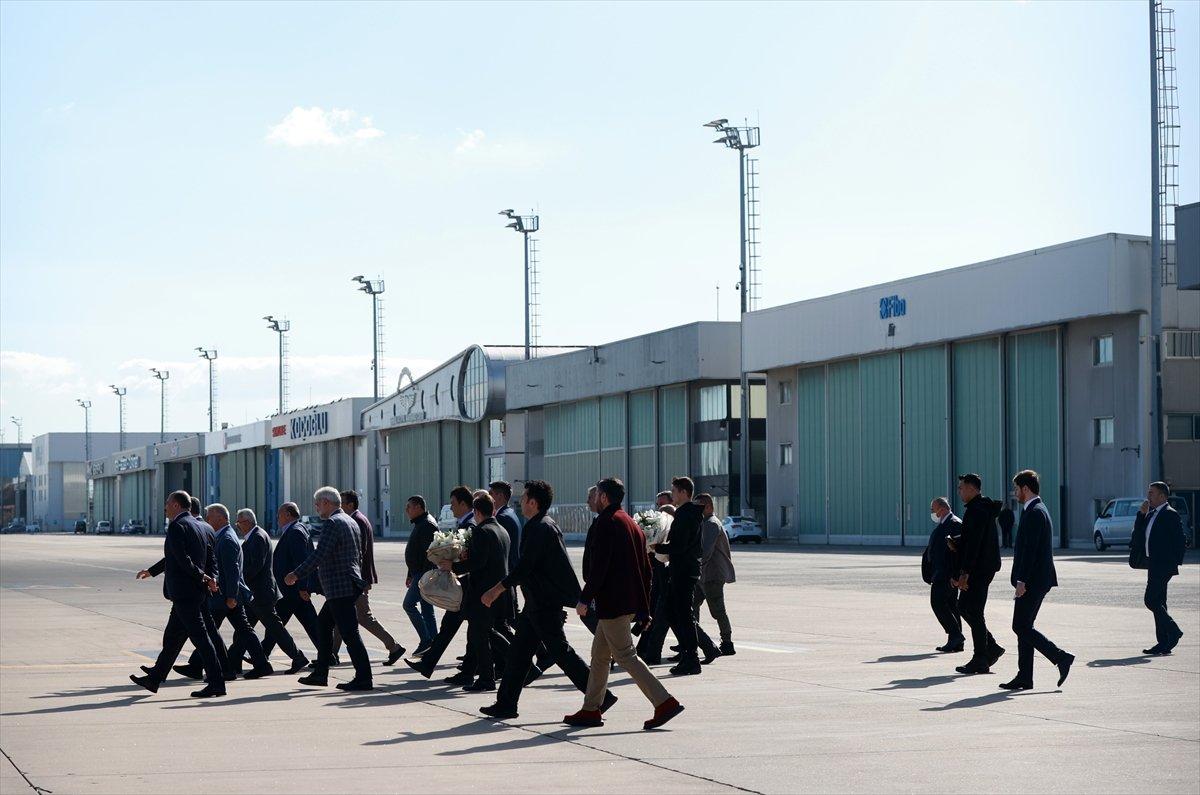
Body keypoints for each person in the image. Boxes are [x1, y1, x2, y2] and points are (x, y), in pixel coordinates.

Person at [479, 480, 615, 719]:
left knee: (561, 653)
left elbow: (525, 568)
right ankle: (506, 704)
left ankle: (601, 697)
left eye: (524, 499)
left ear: (534, 502)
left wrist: (496, 590)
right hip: (537, 603)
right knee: (519, 655)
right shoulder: (540, 525)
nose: (520, 503)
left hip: (544, 604)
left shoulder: (541, 528)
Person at [564, 477, 683, 731]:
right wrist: (643, 607)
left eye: (595, 495)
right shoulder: (631, 523)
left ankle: (664, 702)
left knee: (626, 656)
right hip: (625, 602)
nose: (592, 500)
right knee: (599, 656)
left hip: (613, 603)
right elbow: (645, 570)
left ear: (604, 497)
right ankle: (590, 708)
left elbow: (600, 567)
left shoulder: (608, 523)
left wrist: (585, 598)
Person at [130, 490, 225, 698]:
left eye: (167, 503)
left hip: (185, 593)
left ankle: (217, 682)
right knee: (173, 639)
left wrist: (205, 577)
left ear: (175, 505)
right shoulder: (203, 527)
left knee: (201, 638)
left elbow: (182, 560)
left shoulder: (177, 526)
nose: (164, 507)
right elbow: (210, 560)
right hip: (196, 591)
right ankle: (154, 679)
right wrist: (211, 577)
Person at [286, 487, 372, 691]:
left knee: (350, 633)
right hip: (347, 584)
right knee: (323, 625)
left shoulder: (333, 522)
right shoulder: (350, 520)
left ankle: (363, 678)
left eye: (317, 504)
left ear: (326, 502)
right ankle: (320, 673)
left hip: (339, 586)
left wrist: (295, 574)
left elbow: (319, 555)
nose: (316, 508)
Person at [1001, 470, 1073, 690]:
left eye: (1016, 489)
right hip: (1035, 579)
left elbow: (1030, 551)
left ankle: (1060, 657)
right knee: (1024, 626)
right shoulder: (1034, 510)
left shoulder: (1034, 512)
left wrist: (1022, 581)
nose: (1015, 494)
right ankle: (1025, 676)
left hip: (1032, 580)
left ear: (1026, 489)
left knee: (1020, 625)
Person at [404, 486, 483, 681]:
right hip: (464, 585)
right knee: (453, 626)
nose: (452, 508)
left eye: (454, 504)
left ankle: (482, 668)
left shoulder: (470, 526)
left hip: (468, 586)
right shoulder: (464, 523)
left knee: (480, 631)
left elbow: (473, 558)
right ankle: (430, 663)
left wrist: (452, 565)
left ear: (464, 504)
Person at [186, 503, 273, 680]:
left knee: (211, 630)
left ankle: (216, 668)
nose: (207, 520)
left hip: (226, 596)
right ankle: (260, 665)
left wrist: (232, 596)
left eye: (210, 517)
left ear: (220, 518)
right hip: (225, 595)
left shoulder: (226, 539)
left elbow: (232, 570)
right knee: (238, 630)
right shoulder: (223, 536)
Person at [440, 492, 510, 692]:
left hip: (482, 593)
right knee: (488, 633)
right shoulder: (501, 530)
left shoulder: (481, 531)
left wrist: (452, 566)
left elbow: (478, 563)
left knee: (480, 636)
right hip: (498, 591)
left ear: (477, 512)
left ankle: (486, 679)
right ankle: (518, 662)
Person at [226, 509, 308, 675]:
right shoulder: (254, 536)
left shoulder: (257, 537)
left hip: (261, 594)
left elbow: (255, 567)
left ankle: (297, 657)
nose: (238, 526)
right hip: (255, 594)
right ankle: (234, 663)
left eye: (239, 523)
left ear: (248, 522)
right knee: (243, 629)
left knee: (274, 629)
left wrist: (238, 580)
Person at [330, 491, 405, 666]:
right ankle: (331, 653)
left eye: (342, 503)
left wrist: (358, 579)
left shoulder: (357, 521)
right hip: (358, 578)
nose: (340, 507)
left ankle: (393, 647)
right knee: (342, 616)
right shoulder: (359, 519)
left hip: (357, 579)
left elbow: (359, 553)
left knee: (361, 617)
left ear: (350, 505)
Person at [651, 476, 704, 676]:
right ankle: (688, 653)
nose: (672, 495)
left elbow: (680, 545)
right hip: (682, 569)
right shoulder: (688, 513)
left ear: (683, 492)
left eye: (674, 491)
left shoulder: (686, 514)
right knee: (674, 612)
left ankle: (691, 657)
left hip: (684, 570)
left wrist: (658, 546)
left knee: (682, 614)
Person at [952, 473, 1004, 676]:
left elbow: (974, 545)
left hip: (979, 570)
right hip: (981, 568)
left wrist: (964, 573)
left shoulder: (977, 510)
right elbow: (971, 540)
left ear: (972, 489)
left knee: (971, 609)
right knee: (965, 607)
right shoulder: (979, 509)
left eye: (961, 487)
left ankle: (981, 657)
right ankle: (989, 648)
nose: (959, 491)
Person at [1131, 481, 1186, 655]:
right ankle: (1163, 643)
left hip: (1164, 565)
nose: (1148, 497)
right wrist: (1141, 515)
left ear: (1162, 496)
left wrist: (1174, 562)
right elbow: (1138, 536)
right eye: (1148, 493)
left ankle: (1174, 631)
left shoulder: (1170, 514)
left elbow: (1180, 540)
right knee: (1159, 602)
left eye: (1152, 493)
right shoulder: (1150, 514)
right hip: (1152, 564)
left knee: (1150, 600)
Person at [261, 503, 322, 660]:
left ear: (288, 514)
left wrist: (303, 587)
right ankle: (328, 656)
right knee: (310, 624)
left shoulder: (295, 531)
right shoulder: (295, 530)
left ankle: (261, 655)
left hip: (293, 590)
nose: (277, 518)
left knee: (276, 624)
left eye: (279, 514)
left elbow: (301, 561)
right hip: (292, 590)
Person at [693, 493, 736, 659]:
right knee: (691, 607)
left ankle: (727, 643)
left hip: (712, 575)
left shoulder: (711, 524)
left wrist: (692, 562)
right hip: (702, 575)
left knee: (717, 610)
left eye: (699, 507)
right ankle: (693, 641)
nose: (696, 511)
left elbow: (705, 551)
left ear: (709, 507)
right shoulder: (704, 523)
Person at [635, 491, 675, 663]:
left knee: (665, 616)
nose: (658, 508)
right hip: (656, 578)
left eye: (661, 504)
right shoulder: (659, 526)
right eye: (657, 504)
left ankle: (649, 651)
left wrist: (657, 547)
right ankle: (645, 649)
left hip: (667, 577)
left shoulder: (675, 526)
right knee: (662, 615)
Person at [922, 497, 964, 653]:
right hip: (941, 572)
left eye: (933, 509)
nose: (933, 513)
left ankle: (955, 635)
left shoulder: (954, 524)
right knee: (951, 606)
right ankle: (956, 641)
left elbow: (958, 552)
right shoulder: (944, 524)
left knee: (938, 603)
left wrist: (955, 574)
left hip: (946, 574)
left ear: (942, 508)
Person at [403, 495, 439, 656]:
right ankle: (434, 644)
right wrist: (410, 573)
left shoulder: (426, 525)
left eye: (409, 507)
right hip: (419, 573)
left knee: (409, 605)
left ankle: (426, 640)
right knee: (427, 609)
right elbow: (417, 552)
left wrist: (423, 579)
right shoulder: (421, 522)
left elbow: (429, 555)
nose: (406, 511)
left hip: (424, 575)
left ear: (418, 507)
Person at [489, 480, 520, 627]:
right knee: (511, 618)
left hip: (505, 573)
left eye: (491, 494)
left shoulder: (502, 518)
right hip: (510, 572)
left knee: (504, 619)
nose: (489, 498)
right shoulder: (510, 513)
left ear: (500, 496)